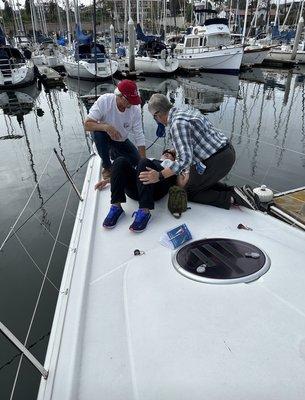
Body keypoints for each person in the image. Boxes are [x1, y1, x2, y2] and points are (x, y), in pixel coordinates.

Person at [141, 93, 257, 210]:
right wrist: (175, 151)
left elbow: (185, 161)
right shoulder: (184, 112)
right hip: (226, 151)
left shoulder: (176, 124)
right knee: (195, 182)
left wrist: (159, 175)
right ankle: (238, 191)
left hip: (217, 159)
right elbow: (196, 139)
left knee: (188, 191)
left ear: (157, 115)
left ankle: (232, 197)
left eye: (154, 117)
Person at [97, 149, 179, 232]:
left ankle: (144, 211)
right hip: (137, 189)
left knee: (143, 161)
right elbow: (131, 173)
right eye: (166, 152)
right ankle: (116, 207)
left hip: (156, 190)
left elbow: (180, 182)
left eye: (171, 154)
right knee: (120, 160)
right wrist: (108, 180)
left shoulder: (174, 166)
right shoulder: (151, 161)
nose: (167, 154)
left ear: (174, 159)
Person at [84, 80, 146, 180]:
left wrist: (143, 162)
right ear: (120, 96)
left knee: (136, 160)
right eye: (130, 100)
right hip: (104, 140)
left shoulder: (135, 109)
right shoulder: (105, 100)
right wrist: (106, 127)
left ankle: (114, 154)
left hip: (121, 140)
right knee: (98, 132)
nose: (132, 103)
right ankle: (107, 167)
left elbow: (139, 135)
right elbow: (87, 125)